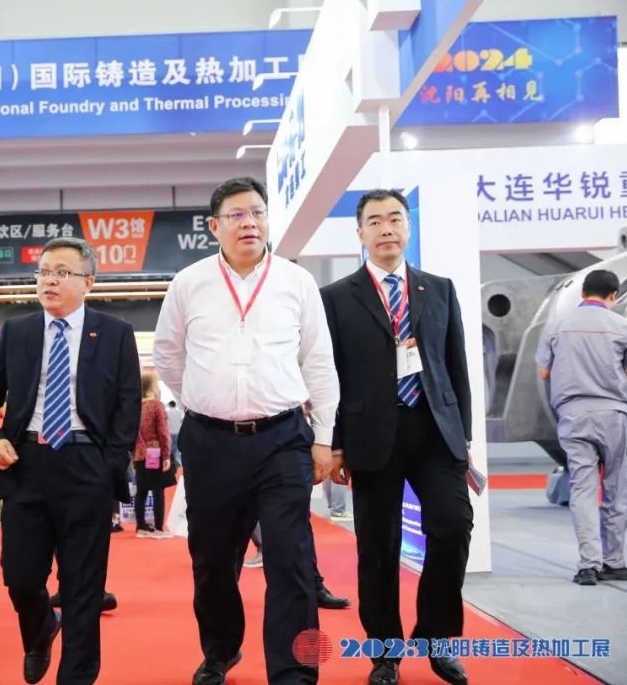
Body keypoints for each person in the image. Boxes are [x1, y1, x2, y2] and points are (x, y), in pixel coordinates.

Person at [154, 177, 339, 685]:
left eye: (257, 213)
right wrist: (202, 399)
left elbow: (319, 362)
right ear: (214, 226)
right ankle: (221, 650)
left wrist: (325, 437)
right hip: (210, 442)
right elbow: (167, 355)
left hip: (282, 439)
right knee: (213, 560)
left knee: (291, 558)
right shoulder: (189, 282)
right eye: (236, 215)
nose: (249, 223)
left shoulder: (296, 282)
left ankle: (294, 671)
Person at [320, 189, 473, 685]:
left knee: (452, 526)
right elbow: (330, 375)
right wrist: (334, 442)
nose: (386, 228)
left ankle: (436, 637)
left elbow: (455, 366)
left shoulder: (438, 288)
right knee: (378, 547)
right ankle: (385, 652)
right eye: (375, 221)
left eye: (395, 219)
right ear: (359, 233)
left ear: (408, 227)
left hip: (435, 431)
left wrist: (464, 437)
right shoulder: (336, 297)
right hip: (370, 436)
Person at [0, 237, 141, 685]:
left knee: (83, 586)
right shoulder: (18, 331)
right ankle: (41, 629)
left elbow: (128, 404)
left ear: (88, 282)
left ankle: (77, 676)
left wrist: (111, 463)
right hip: (25, 462)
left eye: (62, 272)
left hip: (87, 464)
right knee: (20, 577)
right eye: (44, 272)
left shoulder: (115, 333)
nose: (49, 280)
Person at [535, 268, 627, 585]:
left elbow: (543, 372)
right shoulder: (623, 326)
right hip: (613, 415)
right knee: (616, 490)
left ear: (583, 293)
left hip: (574, 416)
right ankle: (614, 562)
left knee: (582, 490)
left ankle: (588, 565)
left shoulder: (557, 325)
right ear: (614, 296)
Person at [133, 373, 173, 538]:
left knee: (141, 490)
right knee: (158, 489)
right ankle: (158, 528)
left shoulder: (134, 407)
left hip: (139, 453)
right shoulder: (156, 406)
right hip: (155, 451)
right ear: (151, 388)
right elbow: (163, 432)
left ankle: (141, 527)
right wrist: (166, 454)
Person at [166, 400, 183, 466]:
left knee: (170, 446)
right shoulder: (179, 412)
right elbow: (181, 421)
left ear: (170, 405)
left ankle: (171, 461)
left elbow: (166, 422)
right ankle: (177, 462)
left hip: (170, 432)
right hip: (178, 432)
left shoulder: (167, 412)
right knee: (177, 448)